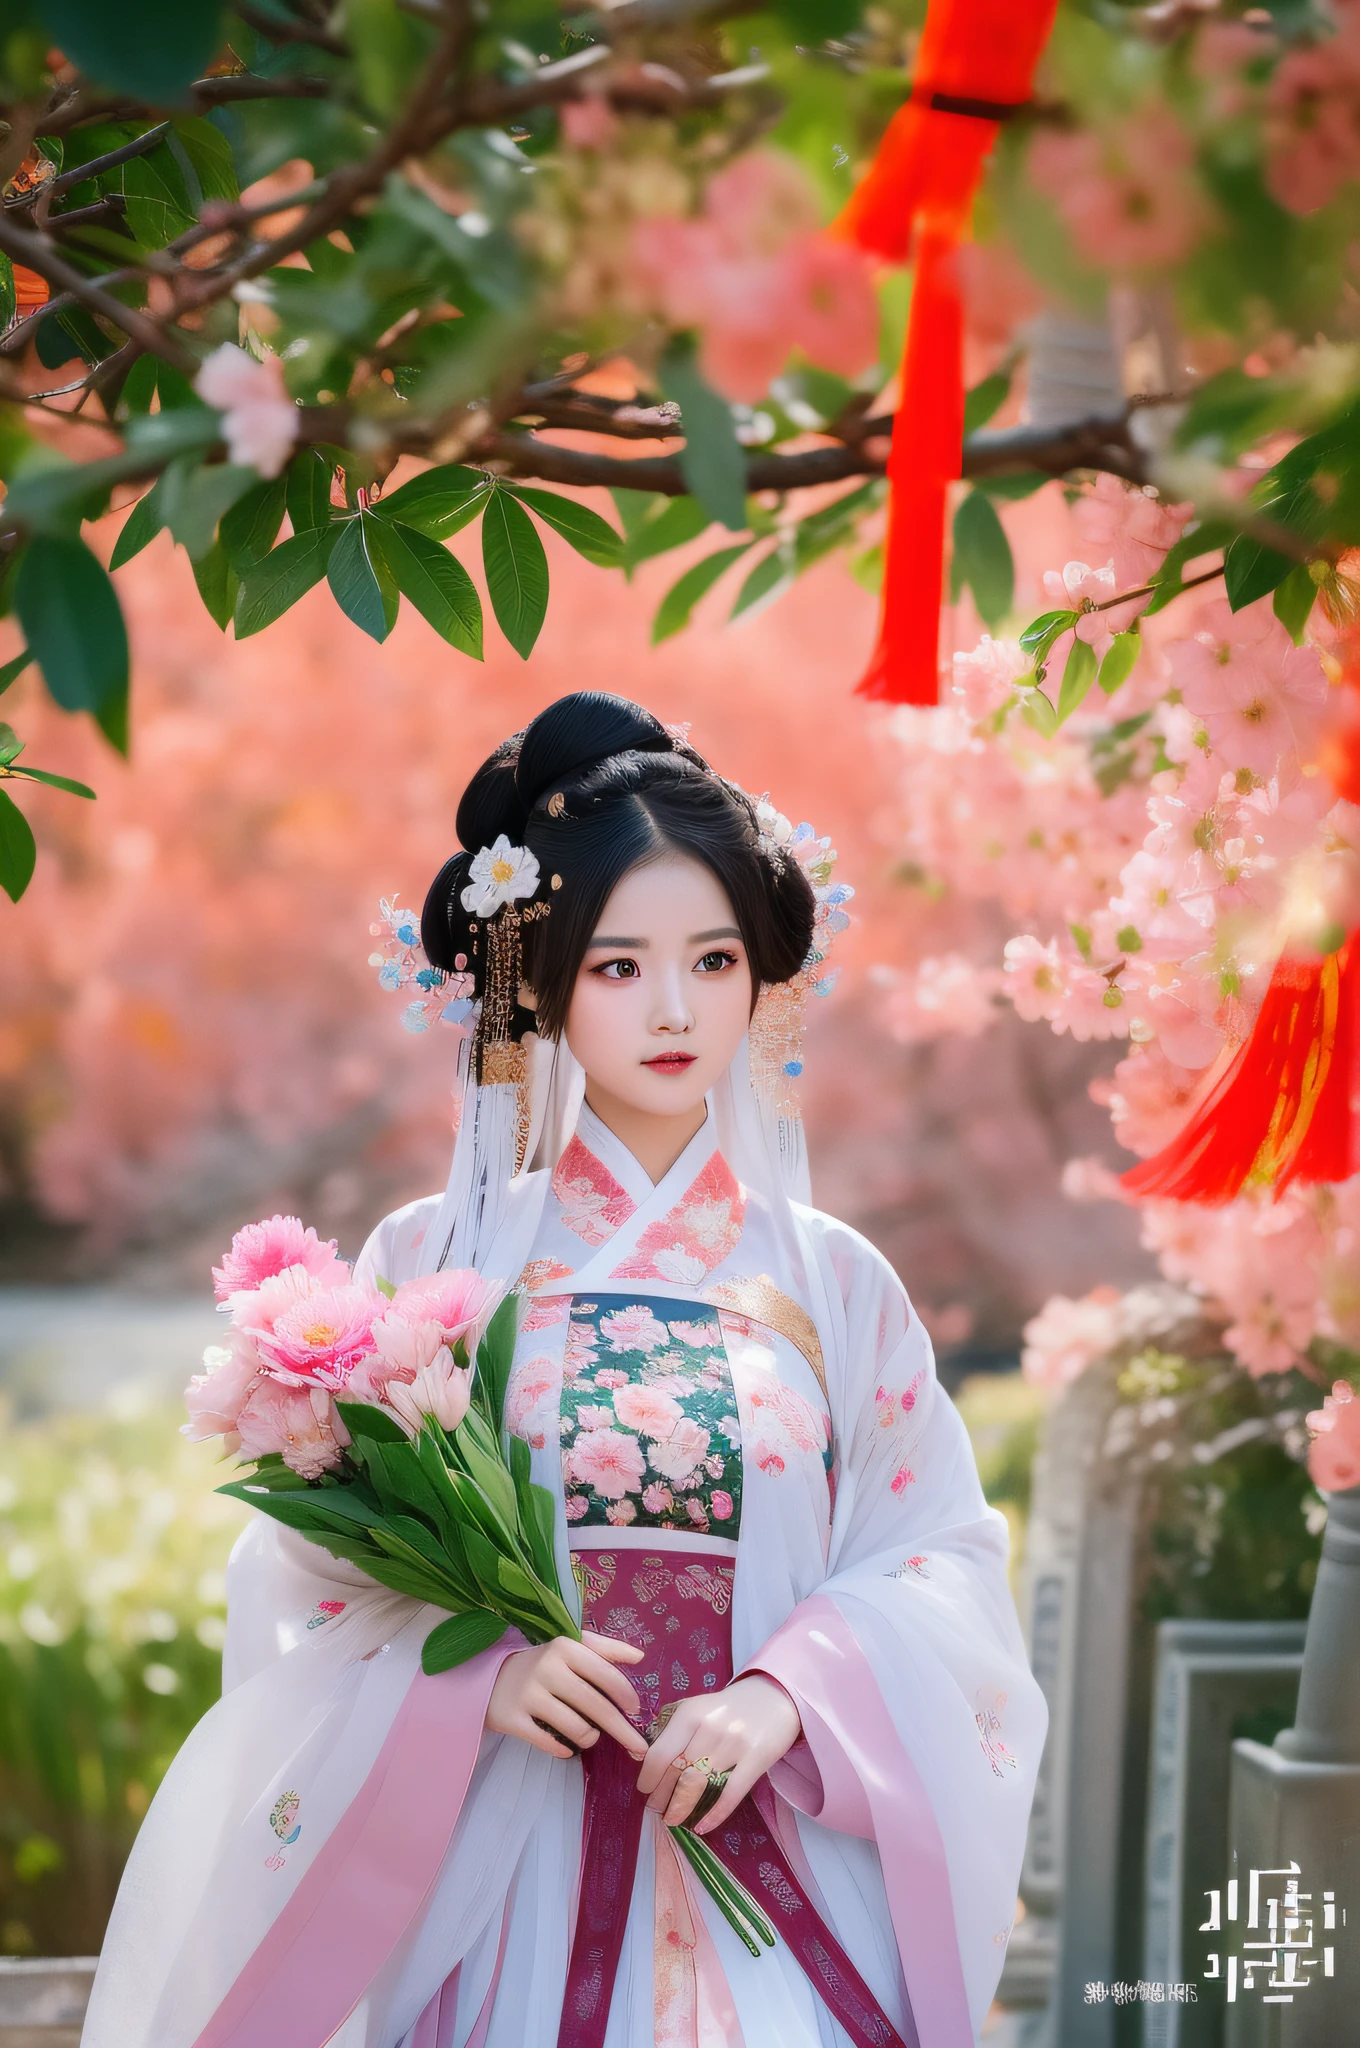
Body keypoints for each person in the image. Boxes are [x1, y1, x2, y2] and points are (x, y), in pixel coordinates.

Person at [81, 693, 1047, 2048]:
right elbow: (315, 1581)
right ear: (539, 982)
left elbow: (934, 1555)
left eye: (713, 963)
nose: (673, 1009)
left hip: (769, 1855)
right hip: (509, 1863)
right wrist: (478, 1672)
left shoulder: (831, 1282)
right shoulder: (440, 1267)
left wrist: (786, 1694)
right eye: (617, 966)